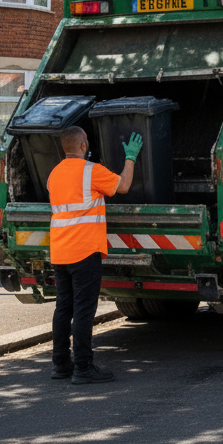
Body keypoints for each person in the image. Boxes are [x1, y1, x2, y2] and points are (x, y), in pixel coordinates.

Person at [46, 125, 142, 384]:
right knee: (84, 311)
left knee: (63, 309)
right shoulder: (91, 172)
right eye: (86, 141)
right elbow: (123, 186)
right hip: (85, 251)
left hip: (60, 252)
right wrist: (131, 157)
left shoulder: (53, 175)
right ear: (81, 146)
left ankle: (61, 365)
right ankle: (84, 368)